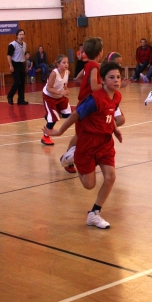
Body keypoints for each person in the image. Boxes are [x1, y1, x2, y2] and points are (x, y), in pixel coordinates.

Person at [44, 61, 123, 229]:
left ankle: (94, 214)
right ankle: (73, 155)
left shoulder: (117, 96)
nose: (116, 80)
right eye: (111, 77)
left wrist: (115, 129)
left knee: (110, 177)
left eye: (118, 77)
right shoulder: (94, 100)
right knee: (89, 185)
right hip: (88, 143)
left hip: (105, 142)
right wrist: (59, 132)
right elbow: (75, 116)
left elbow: (109, 114)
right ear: (102, 80)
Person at [40, 54, 71, 146]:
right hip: (49, 96)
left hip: (59, 96)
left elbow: (64, 84)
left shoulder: (67, 72)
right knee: (53, 119)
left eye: (67, 62)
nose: (66, 64)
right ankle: (45, 136)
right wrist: (59, 93)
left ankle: (49, 115)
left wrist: (66, 89)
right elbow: (49, 88)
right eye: (64, 62)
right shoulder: (54, 73)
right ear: (58, 64)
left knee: (68, 115)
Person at [6, 29, 28, 105]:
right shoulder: (12, 44)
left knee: (22, 83)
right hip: (14, 64)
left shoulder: (25, 44)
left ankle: (21, 99)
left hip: (21, 64)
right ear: (17, 35)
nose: (21, 36)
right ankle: (10, 96)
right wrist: (11, 65)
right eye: (20, 34)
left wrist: (26, 66)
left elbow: (24, 55)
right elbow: (9, 55)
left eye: (23, 34)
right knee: (17, 82)